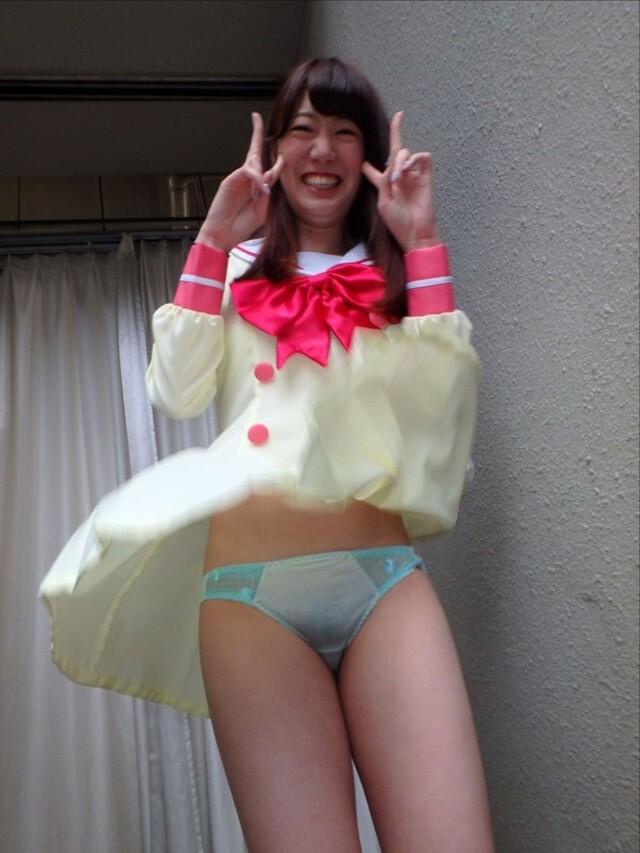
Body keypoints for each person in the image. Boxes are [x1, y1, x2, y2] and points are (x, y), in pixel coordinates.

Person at [40, 58, 494, 852]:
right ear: (276, 149)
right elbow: (176, 389)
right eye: (304, 129)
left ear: (369, 157)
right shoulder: (233, 267)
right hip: (252, 600)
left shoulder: (395, 274)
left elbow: (441, 417)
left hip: (384, 583)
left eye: (345, 133)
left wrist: (423, 241)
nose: (323, 150)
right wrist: (214, 239)